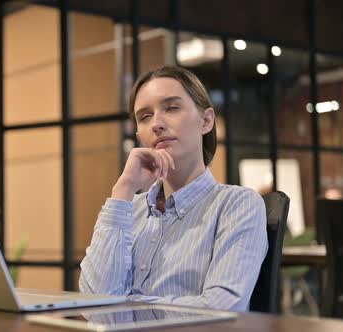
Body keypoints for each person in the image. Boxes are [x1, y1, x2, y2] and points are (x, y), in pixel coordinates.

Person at [79, 66, 268, 312]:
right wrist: (123, 189)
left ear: (206, 121)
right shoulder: (127, 210)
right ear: (138, 135)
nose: (156, 124)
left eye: (171, 108)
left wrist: (124, 306)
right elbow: (93, 302)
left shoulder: (237, 205)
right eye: (145, 116)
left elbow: (222, 308)